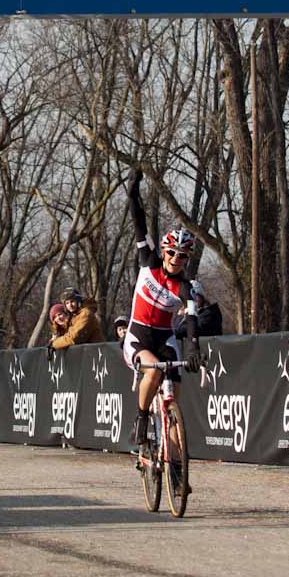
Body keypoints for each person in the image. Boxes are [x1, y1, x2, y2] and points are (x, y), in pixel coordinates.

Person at [125, 170, 201, 447]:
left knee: (173, 402)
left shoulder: (184, 287)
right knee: (154, 371)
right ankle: (142, 417)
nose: (176, 259)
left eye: (182, 256)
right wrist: (133, 193)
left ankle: (176, 468)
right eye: (172, 253)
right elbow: (139, 223)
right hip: (138, 337)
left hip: (164, 339)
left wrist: (193, 348)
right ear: (164, 252)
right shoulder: (149, 261)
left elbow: (192, 317)